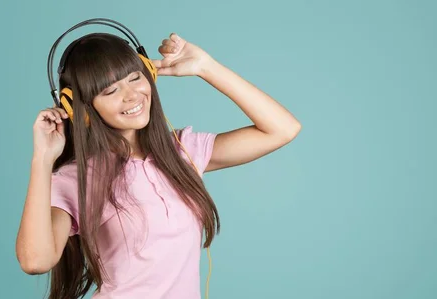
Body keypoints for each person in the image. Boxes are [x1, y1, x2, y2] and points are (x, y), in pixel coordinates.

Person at [15, 28, 301, 299]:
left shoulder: (181, 153)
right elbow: (36, 261)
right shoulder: (78, 178)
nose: (131, 95)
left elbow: (282, 129)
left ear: (149, 72)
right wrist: (42, 158)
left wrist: (206, 67)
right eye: (110, 91)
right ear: (80, 108)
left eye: (134, 78)